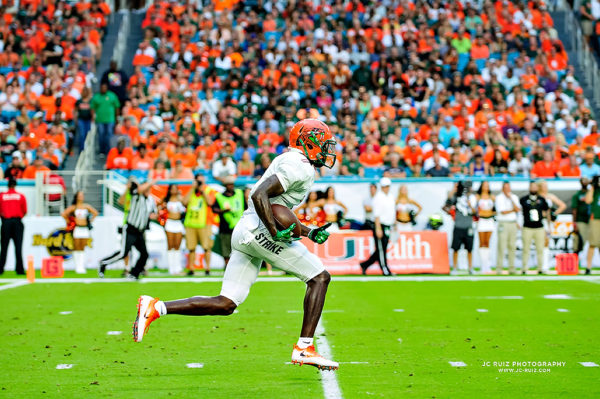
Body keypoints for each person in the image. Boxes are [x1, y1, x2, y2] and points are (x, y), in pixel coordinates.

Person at [133, 119, 339, 370]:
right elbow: (259, 195)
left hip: (247, 230)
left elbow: (277, 208)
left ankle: (156, 307)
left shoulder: (293, 161)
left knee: (227, 302)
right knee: (319, 277)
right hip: (258, 231)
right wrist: (274, 231)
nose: (328, 150)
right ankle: (304, 348)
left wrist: (307, 231)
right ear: (309, 141)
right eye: (323, 143)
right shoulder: (300, 165)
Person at [99, 180, 157, 279]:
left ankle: (134, 274)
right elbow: (136, 191)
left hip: (140, 231)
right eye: (146, 188)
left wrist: (153, 216)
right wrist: (153, 181)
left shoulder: (150, 200)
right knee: (123, 253)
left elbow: (154, 213)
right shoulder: (136, 195)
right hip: (130, 229)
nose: (147, 190)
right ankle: (103, 263)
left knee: (144, 254)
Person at [360, 177, 395, 276]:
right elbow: (377, 215)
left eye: (387, 186)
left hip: (388, 225)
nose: (386, 188)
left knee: (382, 248)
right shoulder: (378, 198)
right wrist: (378, 228)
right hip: (380, 225)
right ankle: (385, 269)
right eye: (384, 186)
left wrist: (394, 223)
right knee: (381, 249)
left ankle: (365, 264)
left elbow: (392, 212)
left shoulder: (390, 197)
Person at [183, 174, 216, 276]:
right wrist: (193, 189)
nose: (200, 183)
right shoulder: (191, 191)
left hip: (205, 223)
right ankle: (191, 268)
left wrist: (202, 191)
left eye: (201, 181)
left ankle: (207, 268)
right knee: (191, 247)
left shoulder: (209, 190)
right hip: (191, 223)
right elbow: (184, 202)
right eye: (198, 181)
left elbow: (210, 202)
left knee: (207, 247)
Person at [443, 181, 477, 274]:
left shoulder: (472, 198)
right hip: (458, 225)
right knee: (456, 248)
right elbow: (447, 203)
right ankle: (454, 268)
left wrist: (469, 205)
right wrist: (453, 191)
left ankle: (470, 268)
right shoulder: (457, 197)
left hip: (468, 226)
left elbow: (475, 212)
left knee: (469, 249)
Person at [61, 191, 98, 274]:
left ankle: (81, 266)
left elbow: (95, 213)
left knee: (82, 247)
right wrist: (69, 222)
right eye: (80, 195)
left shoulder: (86, 206)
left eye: (82, 195)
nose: (81, 197)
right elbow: (64, 214)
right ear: (76, 197)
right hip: (77, 228)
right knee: (76, 246)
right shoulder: (74, 207)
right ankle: (77, 266)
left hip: (84, 229)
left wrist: (90, 221)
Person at [213, 176, 245, 266]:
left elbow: (245, 207)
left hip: (239, 227)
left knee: (239, 250)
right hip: (225, 227)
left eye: (232, 184)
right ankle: (227, 268)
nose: (231, 186)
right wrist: (223, 211)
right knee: (226, 250)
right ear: (225, 186)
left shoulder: (239, 194)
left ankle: (238, 268)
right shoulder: (219, 196)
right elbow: (214, 209)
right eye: (229, 185)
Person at [520, 181, 550, 274]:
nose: (533, 188)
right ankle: (524, 268)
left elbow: (547, 211)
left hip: (539, 227)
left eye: (535, 187)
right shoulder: (523, 199)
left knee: (540, 248)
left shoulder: (542, 199)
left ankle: (540, 268)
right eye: (531, 186)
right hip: (527, 227)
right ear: (529, 188)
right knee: (526, 249)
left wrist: (548, 226)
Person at [537, 180, 566, 272]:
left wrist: (554, 213)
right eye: (543, 186)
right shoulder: (537, 197)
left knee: (546, 242)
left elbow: (562, 205)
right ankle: (540, 264)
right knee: (539, 243)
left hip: (547, 222)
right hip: (537, 221)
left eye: (546, 186)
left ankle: (545, 265)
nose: (545, 187)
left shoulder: (550, 196)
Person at [0, 179, 27, 275]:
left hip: (6, 222)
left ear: (7, 185)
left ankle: (1, 268)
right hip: (17, 222)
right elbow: (24, 210)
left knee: (4, 247)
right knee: (18, 247)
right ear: (15, 185)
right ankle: (19, 269)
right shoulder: (20, 196)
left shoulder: (2, 196)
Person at [495, 181, 520, 274]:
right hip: (503, 223)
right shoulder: (499, 198)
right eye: (505, 188)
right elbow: (502, 212)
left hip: (512, 223)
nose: (507, 190)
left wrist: (511, 200)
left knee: (512, 246)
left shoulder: (514, 197)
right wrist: (513, 210)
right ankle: (499, 267)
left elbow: (517, 209)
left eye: (508, 188)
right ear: (502, 189)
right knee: (501, 246)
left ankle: (512, 267)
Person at [161, 184, 186, 275]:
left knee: (177, 246)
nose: (174, 190)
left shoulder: (180, 199)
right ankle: (171, 268)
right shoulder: (166, 199)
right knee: (170, 245)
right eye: (172, 189)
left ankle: (178, 268)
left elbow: (186, 204)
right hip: (170, 223)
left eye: (176, 189)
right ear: (170, 190)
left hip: (178, 223)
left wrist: (180, 196)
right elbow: (159, 207)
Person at [91, 83, 120, 156]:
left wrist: (117, 118)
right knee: (101, 135)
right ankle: (102, 150)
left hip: (110, 119)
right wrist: (93, 117)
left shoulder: (112, 95)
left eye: (105, 87)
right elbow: (92, 108)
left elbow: (117, 107)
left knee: (109, 135)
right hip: (100, 120)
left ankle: (109, 150)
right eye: (102, 87)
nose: (103, 89)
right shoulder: (97, 96)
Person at [475, 181, 495, 273]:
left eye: (487, 186)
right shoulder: (478, 197)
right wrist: (485, 212)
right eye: (484, 185)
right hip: (482, 221)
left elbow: (494, 211)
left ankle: (488, 265)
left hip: (490, 221)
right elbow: (478, 211)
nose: (486, 187)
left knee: (487, 242)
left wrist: (487, 212)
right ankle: (482, 265)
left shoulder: (492, 197)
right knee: (481, 242)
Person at [571, 178, 591, 256]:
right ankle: (575, 259)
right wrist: (574, 223)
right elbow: (574, 210)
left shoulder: (592, 193)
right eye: (583, 181)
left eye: (587, 181)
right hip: (581, 220)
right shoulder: (577, 195)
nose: (585, 183)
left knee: (591, 241)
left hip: (591, 220)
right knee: (579, 241)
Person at [585, 176, 600, 275]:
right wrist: (592, 187)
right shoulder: (595, 191)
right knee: (593, 243)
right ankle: (588, 266)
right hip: (595, 219)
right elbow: (588, 200)